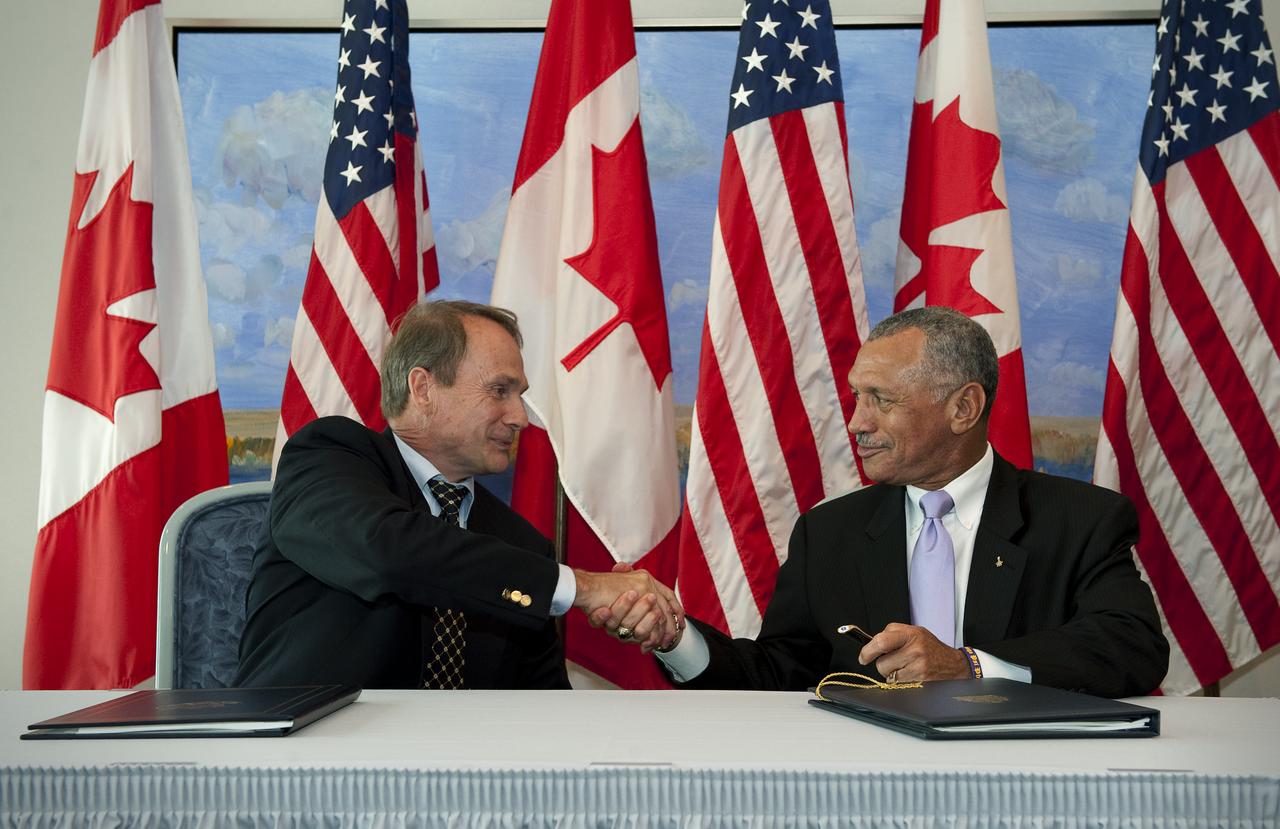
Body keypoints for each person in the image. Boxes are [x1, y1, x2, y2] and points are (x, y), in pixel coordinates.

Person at [598, 306, 1169, 698]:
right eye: (855, 397)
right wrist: (677, 638)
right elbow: (777, 675)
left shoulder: (1080, 521)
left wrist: (968, 667)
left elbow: (1131, 647)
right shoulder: (830, 534)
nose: (856, 422)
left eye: (881, 400)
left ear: (963, 409)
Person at [236, 300, 681, 689]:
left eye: (520, 396)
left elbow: (543, 713)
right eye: (500, 391)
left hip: (466, 779)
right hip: (304, 767)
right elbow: (390, 552)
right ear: (423, 388)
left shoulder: (522, 548)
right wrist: (581, 587)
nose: (520, 418)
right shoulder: (328, 456)